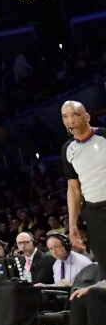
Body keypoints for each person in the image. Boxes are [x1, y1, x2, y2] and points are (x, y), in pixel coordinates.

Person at [64, 101, 105, 254]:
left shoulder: (104, 136)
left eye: (75, 114)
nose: (70, 121)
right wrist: (72, 224)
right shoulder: (67, 149)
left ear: (87, 117)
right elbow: (74, 189)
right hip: (93, 213)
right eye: (65, 116)